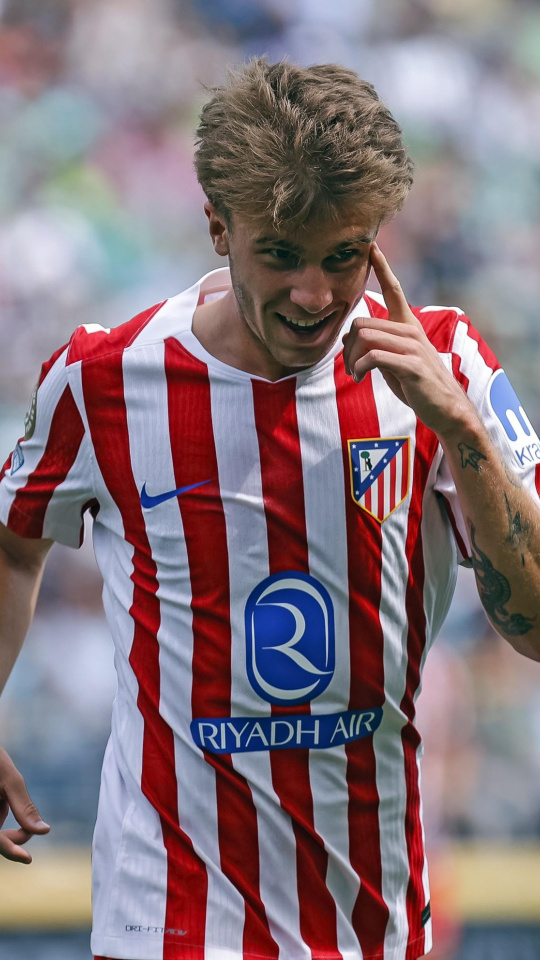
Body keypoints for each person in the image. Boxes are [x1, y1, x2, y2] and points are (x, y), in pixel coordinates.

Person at [1, 57, 539, 960]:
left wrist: (461, 430)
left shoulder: (446, 364)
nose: (314, 295)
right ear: (218, 224)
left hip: (374, 923)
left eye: (343, 256)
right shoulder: (102, 379)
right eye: (281, 256)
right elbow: (15, 542)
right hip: (165, 919)